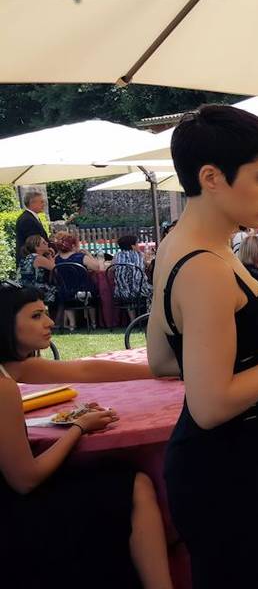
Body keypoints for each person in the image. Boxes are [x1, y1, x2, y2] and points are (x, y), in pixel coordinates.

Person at [145, 104, 258, 588]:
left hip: (223, 461)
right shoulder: (205, 266)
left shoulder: (184, 245)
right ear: (211, 177)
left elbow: (161, 358)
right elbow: (209, 405)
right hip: (223, 472)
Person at [0, 284, 173, 589]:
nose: (50, 322)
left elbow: (84, 370)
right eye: (37, 315)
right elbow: (25, 479)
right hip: (12, 520)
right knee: (135, 485)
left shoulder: (11, 368)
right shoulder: (3, 387)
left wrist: (161, 369)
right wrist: (79, 428)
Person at [54, 234, 103, 331]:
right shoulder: (80, 257)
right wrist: (88, 254)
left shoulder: (56, 259)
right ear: (73, 245)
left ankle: (72, 324)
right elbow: (97, 268)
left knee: (67, 300)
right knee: (92, 294)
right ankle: (93, 323)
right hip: (84, 292)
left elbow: (56, 274)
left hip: (66, 293)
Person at [113, 235, 153, 315]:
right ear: (133, 246)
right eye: (137, 243)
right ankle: (150, 316)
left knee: (127, 285)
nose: (138, 245)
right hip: (139, 291)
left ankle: (132, 320)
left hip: (121, 292)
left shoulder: (117, 256)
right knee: (155, 290)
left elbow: (112, 268)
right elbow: (149, 265)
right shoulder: (139, 255)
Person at [17, 235, 57, 305]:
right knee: (61, 293)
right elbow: (55, 269)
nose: (47, 243)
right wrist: (49, 255)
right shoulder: (38, 258)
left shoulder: (28, 257)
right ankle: (60, 315)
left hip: (25, 289)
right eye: (44, 243)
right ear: (37, 247)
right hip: (37, 290)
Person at [14, 191, 48, 261]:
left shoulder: (30, 217)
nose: (44, 204)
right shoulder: (27, 220)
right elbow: (34, 244)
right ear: (32, 203)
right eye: (41, 202)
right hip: (32, 263)